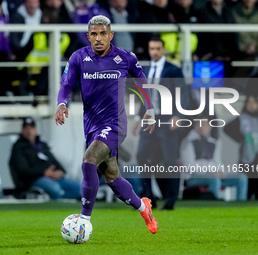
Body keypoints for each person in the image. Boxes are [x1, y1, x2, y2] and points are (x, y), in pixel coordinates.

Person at [55, 15, 158, 234]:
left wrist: (149, 109)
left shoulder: (125, 58)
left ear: (111, 35)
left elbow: (142, 81)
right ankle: (143, 207)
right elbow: (65, 84)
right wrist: (61, 104)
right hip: (91, 125)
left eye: (103, 33)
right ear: (88, 36)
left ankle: (83, 221)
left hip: (115, 123)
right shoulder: (78, 58)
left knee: (89, 161)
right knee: (112, 177)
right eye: (94, 34)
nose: (99, 38)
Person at [131, 37, 189, 210]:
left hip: (166, 119)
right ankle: (149, 200)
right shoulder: (145, 70)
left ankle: (171, 199)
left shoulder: (174, 70)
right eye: (151, 48)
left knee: (170, 160)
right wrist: (136, 119)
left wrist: (178, 115)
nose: (154, 52)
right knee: (142, 157)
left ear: (163, 50)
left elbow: (183, 94)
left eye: (157, 48)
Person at [9, 117, 82, 200]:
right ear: (22, 131)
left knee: (78, 188)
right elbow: (23, 171)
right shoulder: (18, 147)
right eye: (26, 128)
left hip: (52, 177)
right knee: (55, 189)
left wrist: (60, 171)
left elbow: (54, 161)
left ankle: (65, 205)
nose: (29, 131)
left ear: (35, 130)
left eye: (31, 128)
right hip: (33, 180)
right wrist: (44, 173)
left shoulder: (42, 145)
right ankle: (55, 204)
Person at [180, 115, 248, 201]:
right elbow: (189, 166)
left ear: (210, 127)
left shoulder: (213, 143)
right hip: (194, 177)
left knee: (242, 178)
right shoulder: (188, 142)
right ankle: (214, 206)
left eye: (205, 124)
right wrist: (208, 170)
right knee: (214, 178)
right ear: (195, 125)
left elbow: (218, 162)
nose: (202, 127)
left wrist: (221, 172)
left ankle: (241, 207)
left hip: (214, 175)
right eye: (200, 124)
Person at [224, 95, 258, 199]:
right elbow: (227, 129)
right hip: (247, 158)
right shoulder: (242, 118)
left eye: (254, 103)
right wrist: (241, 138)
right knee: (248, 185)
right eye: (249, 103)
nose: (252, 105)